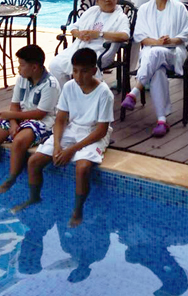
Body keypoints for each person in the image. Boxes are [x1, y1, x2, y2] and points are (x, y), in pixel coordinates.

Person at [11, 48, 113, 227]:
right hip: (71, 130)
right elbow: (60, 120)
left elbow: (101, 131)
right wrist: (57, 145)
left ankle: (78, 210)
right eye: (75, 71)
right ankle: (34, 198)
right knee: (34, 161)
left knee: (82, 168)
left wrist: (71, 150)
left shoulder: (104, 93)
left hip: (93, 133)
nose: (78, 76)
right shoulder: (69, 86)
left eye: (84, 71)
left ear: (94, 70)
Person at [0, 44, 60, 193]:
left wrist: (12, 116)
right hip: (19, 117)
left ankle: (12, 178)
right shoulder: (22, 79)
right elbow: (15, 105)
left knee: (19, 141)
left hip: (42, 122)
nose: (18, 68)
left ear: (34, 67)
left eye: (22, 65)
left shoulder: (51, 84)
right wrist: (13, 123)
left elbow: (40, 113)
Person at [122, 0, 188, 137]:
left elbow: (185, 35)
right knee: (157, 71)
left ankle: (135, 91)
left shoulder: (179, 8)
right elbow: (140, 37)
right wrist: (157, 42)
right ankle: (162, 120)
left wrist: (170, 40)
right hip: (151, 53)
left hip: (174, 53)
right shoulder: (145, 9)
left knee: (157, 52)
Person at [48, 0, 131, 88]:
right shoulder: (92, 11)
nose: (107, 0)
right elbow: (74, 27)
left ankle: (90, 94)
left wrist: (99, 34)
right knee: (54, 65)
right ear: (97, 1)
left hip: (101, 51)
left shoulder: (121, 17)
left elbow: (125, 36)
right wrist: (79, 34)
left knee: (84, 67)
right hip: (79, 47)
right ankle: (68, 92)